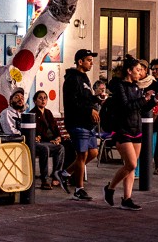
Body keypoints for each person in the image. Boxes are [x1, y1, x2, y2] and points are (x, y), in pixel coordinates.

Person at [102, 56, 157, 211]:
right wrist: (144, 98)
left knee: (131, 167)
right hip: (122, 129)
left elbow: (141, 108)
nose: (140, 73)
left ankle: (127, 198)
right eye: (137, 70)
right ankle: (110, 188)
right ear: (129, 70)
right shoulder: (120, 86)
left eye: (141, 70)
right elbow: (126, 106)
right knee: (131, 163)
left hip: (136, 129)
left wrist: (153, 101)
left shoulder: (137, 87)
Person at [61, 48, 100, 201]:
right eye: (89, 60)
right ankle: (79, 189)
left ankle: (64, 173)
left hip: (87, 123)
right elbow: (73, 102)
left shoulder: (85, 78)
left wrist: (97, 99)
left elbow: (86, 98)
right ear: (80, 61)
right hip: (77, 121)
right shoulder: (72, 78)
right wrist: (89, 109)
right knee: (82, 155)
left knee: (93, 153)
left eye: (92, 60)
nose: (92, 63)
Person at [31, 90, 68, 190]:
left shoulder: (48, 112)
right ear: (35, 101)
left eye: (45, 98)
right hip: (39, 142)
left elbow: (55, 127)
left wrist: (58, 137)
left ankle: (56, 176)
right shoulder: (33, 113)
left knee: (60, 147)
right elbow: (37, 131)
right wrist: (50, 140)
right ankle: (44, 179)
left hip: (49, 141)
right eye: (40, 98)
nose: (43, 100)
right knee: (45, 148)